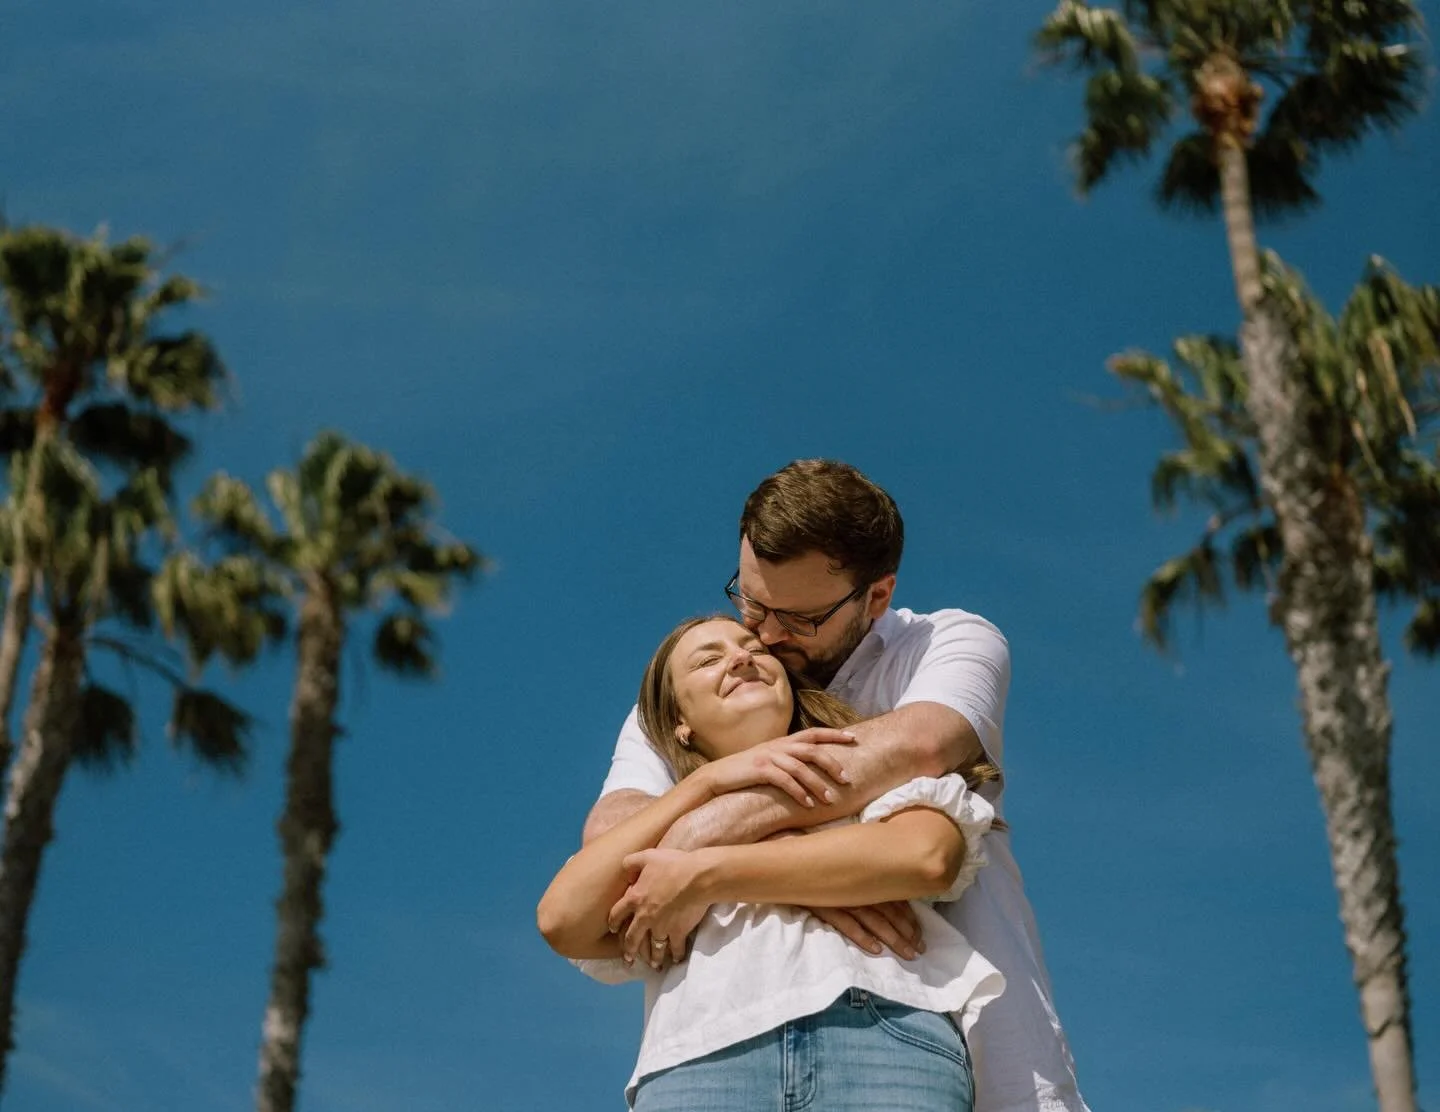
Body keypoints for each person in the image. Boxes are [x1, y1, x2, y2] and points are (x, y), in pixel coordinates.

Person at [584, 460, 1089, 1112]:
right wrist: (823, 874)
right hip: (725, 1039)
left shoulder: (947, 642)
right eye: (750, 599)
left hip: (957, 1041)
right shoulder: (706, 684)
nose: (762, 635)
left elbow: (923, 745)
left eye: (797, 618)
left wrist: (699, 847)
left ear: (875, 597)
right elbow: (611, 839)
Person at [538, 615, 1004, 1109]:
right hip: (701, 1061)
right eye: (708, 660)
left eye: (754, 650)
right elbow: (561, 918)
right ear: (681, 722)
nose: (741, 657)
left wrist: (704, 876)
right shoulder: (664, 822)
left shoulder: (863, 761)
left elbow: (925, 856)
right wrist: (706, 785)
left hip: (884, 1037)